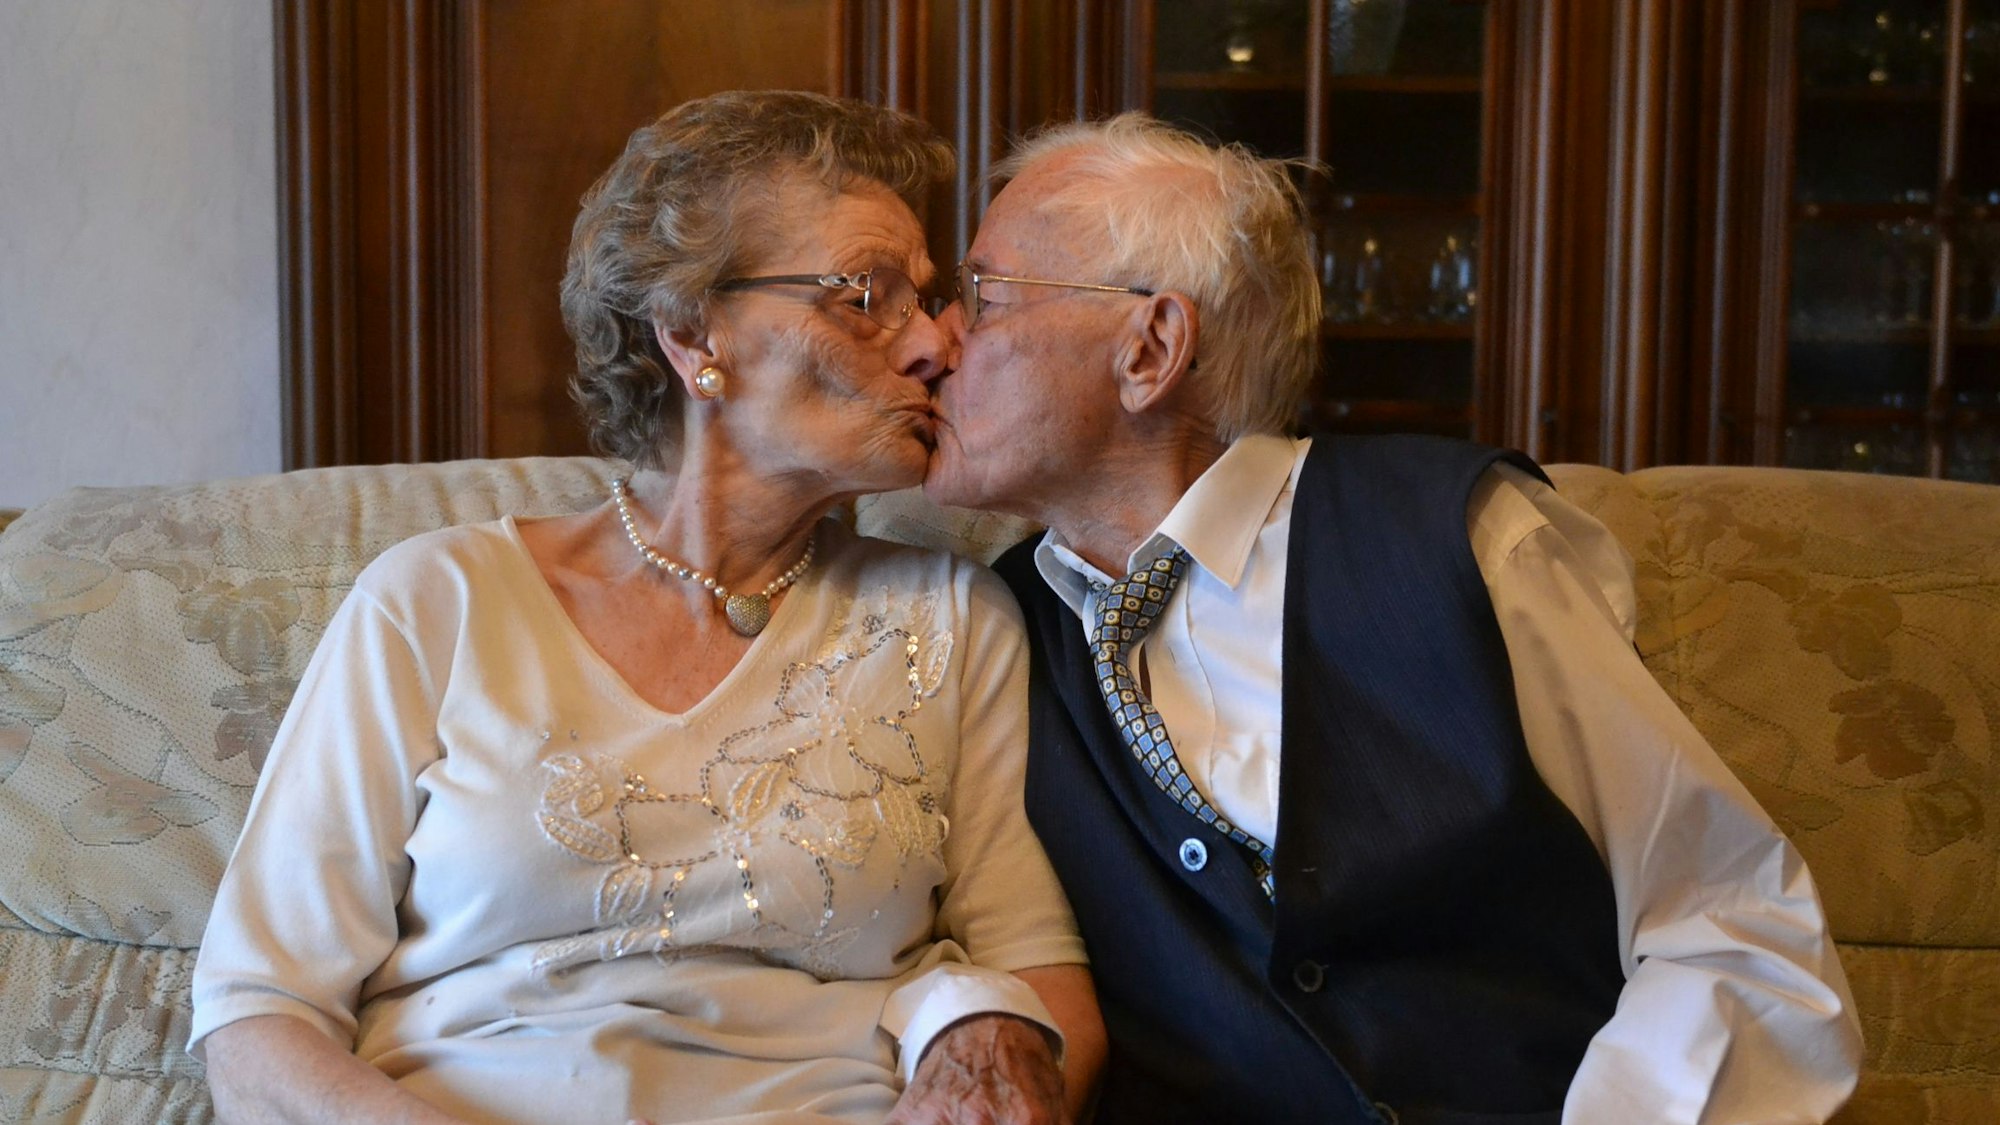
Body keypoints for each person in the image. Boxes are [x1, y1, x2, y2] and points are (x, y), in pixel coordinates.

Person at [920, 112, 1863, 1124]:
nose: (934, 342)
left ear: (1149, 349)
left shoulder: (1458, 545)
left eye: (982, 296)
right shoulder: (975, 630)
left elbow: (1725, 925)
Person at [190, 91, 1103, 1125]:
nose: (933, 344)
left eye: (926, 298)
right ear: (689, 333)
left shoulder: (953, 619)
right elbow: (257, 1017)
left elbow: (1046, 984)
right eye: (865, 295)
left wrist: (993, 1036)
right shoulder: (432, 601)